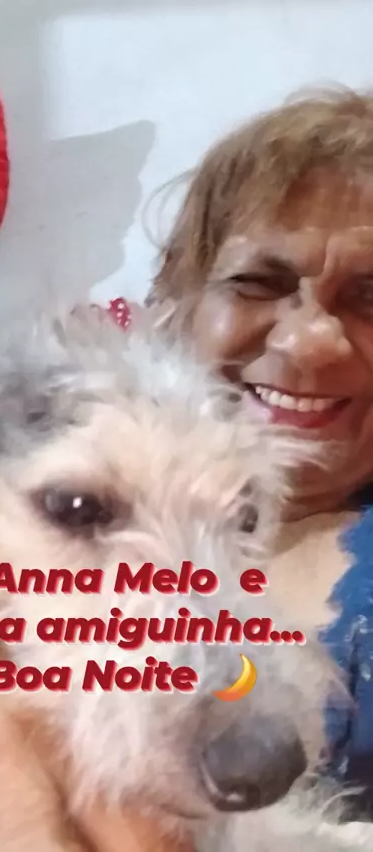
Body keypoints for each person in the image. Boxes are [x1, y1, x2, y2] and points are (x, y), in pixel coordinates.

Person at [101, 87, 373, 819]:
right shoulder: (47, 490)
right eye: (258, 283)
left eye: (372, 299)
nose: (306, 343)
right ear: (178, 303)